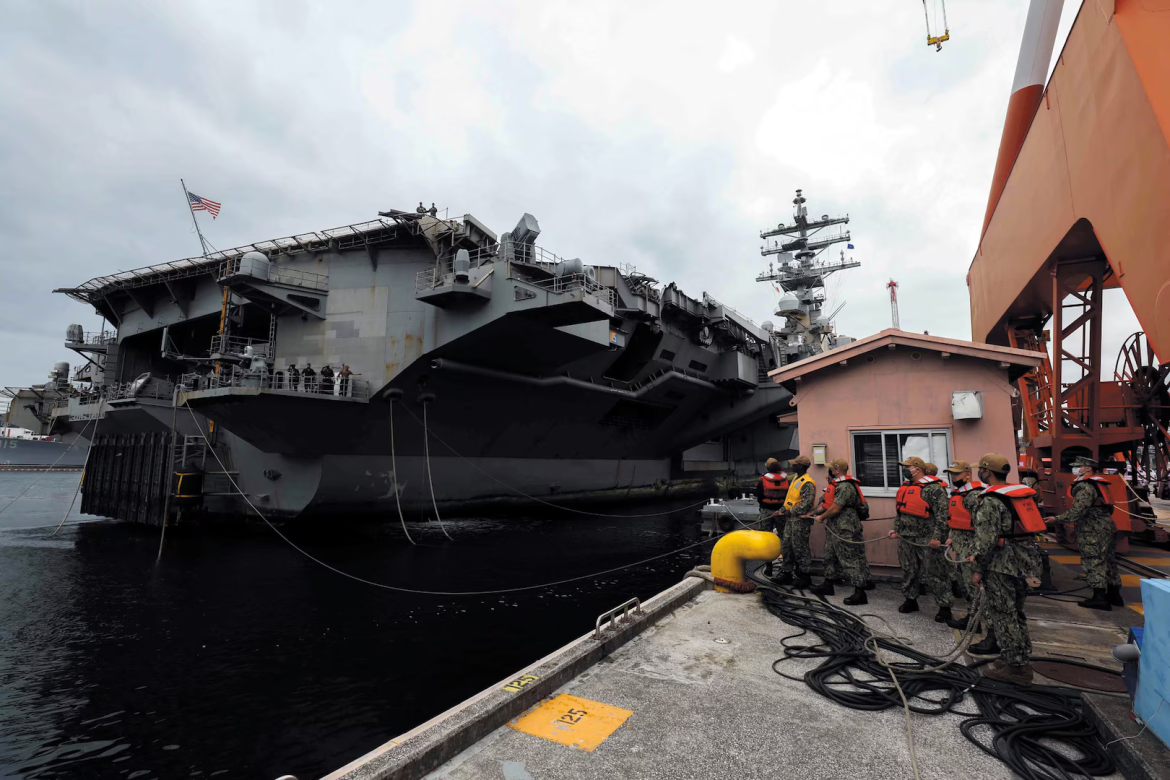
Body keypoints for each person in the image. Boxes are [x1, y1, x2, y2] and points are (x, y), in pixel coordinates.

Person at [968, 453, 1043, 685]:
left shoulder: (990, 501)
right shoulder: (1017, 496)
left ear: (988, 472)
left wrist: (978, 568)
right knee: (1016, 612)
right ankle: (1016, 657)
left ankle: (1017, 670)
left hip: (1001, 565)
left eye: (980, 469)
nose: (978, 472)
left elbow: (986, 540)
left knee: (1003, 615)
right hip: (1023, 562)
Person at [888, 455, 954, 621]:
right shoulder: (906, 487)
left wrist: (937, 537)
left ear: (917, 468)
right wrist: (896, 529)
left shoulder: (934, 488)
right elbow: (900, 511)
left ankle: (944, 606)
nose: (904, 470)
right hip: (907, 537)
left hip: (927, 538)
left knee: (936, 572)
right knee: (909, 569)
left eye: (907, 467)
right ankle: (911, 599)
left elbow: (943, 515)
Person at [1057, 455, 1123, 610]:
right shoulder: (1100, 484)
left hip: (1092, 530)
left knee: (1094, 560)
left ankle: (1099, 597)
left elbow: (1078, 510)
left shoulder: (1085, 486)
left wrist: (1056, 519)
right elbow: (1109, 507)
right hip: (1107, 526)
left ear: (1087, 468)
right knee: (1109, 561)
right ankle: (1115, 595)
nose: (1074, 469)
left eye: (1077, 466)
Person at [807, 459, 871, 605]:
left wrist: (821, 517)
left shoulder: (845, 486)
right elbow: (827, 505)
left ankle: (860, 592)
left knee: (849, 558)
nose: (829, 471)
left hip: (845, 528)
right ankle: (828, 584)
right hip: (835, 526)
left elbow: (836, 508)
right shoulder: (837, 485)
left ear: (836, 469)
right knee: (829, 555)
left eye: (831, 468)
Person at [942, 461, 992, 643]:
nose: (953, 477)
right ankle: (973, 620)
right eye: (952, 474)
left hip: (971, 548)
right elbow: (957, 519)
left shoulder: (973, 495)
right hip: (961, 546)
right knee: (967, 587)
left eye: (956, 474)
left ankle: (991, 631)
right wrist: (952, 536)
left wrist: (977, 553)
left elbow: (983, 526)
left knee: (976, 589)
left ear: (967, 474)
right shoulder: (959, 493)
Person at [771, 455, 816, 587]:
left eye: (795, 464)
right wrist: (782, 510)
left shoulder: (807, 483)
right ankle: (786, 573)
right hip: (790, 520)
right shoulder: (797, 479)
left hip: (800, 521)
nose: (792, 465)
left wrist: (790, 512)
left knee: (800, 548)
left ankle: (804, 576)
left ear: (801, 466)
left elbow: (806, 504)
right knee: (787, 546)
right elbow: (790, 500)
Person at [754, 458, 789, 530]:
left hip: (766, 509)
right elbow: (788, 494)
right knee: (782, 532)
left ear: (768, 467)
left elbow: (759, 495)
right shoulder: (785, 479)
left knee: (765, 533)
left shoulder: (763, 480)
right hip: (780, 509)